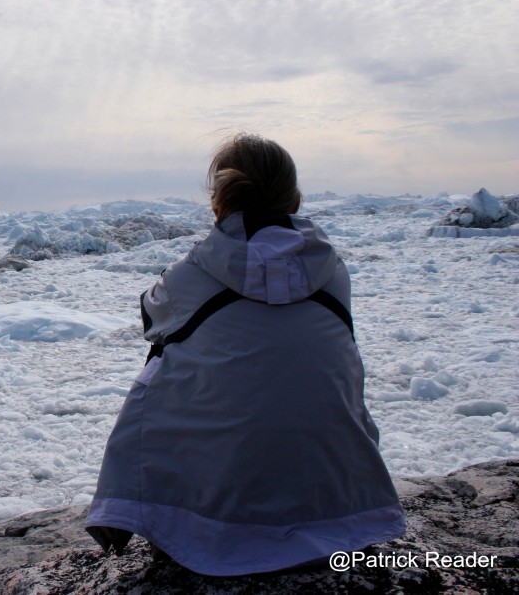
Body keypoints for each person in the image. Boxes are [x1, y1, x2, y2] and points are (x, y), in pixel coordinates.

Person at [85, 133, 406, 575]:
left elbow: (151, 318)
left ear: (218, 201)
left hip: (215, 528)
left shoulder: (191, 274)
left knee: (158, 368)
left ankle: (150, 516)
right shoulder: (333, 272)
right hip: (339, 510)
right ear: (295, 200)